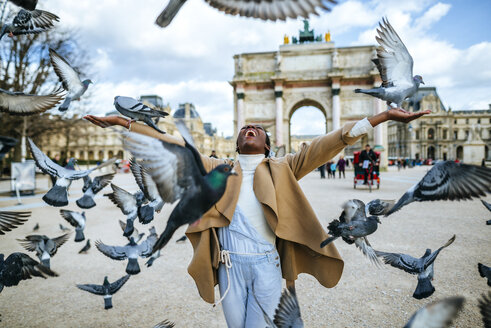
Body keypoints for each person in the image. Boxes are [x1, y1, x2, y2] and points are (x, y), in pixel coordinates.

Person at [84, 107, 428, 328]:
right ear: (236, 144)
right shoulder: (215, 167)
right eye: (244, 127)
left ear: (266, 145)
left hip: (266, 265)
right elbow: (170, 142)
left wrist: (380, 118)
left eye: (257, 128)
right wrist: (126, 124)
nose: (250, 127)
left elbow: (328, 144)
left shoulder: (284, 166)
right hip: (228, 265)